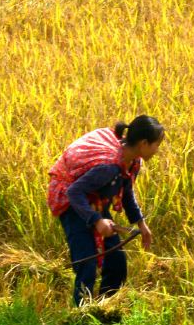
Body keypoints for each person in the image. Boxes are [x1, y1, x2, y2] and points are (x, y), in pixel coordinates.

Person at [45, 115, 165, 306]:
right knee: (87, 265)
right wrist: (97, 220)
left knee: (117, 262)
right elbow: (74, 192)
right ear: (143, 143)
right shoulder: (109, 166)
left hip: (95, 201)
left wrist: (141, 223)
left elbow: (126, 193)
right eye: (156, 144)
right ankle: (81, 317)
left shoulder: (133, 162)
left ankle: (104, 309)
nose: (157, 150)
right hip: (73, 204)